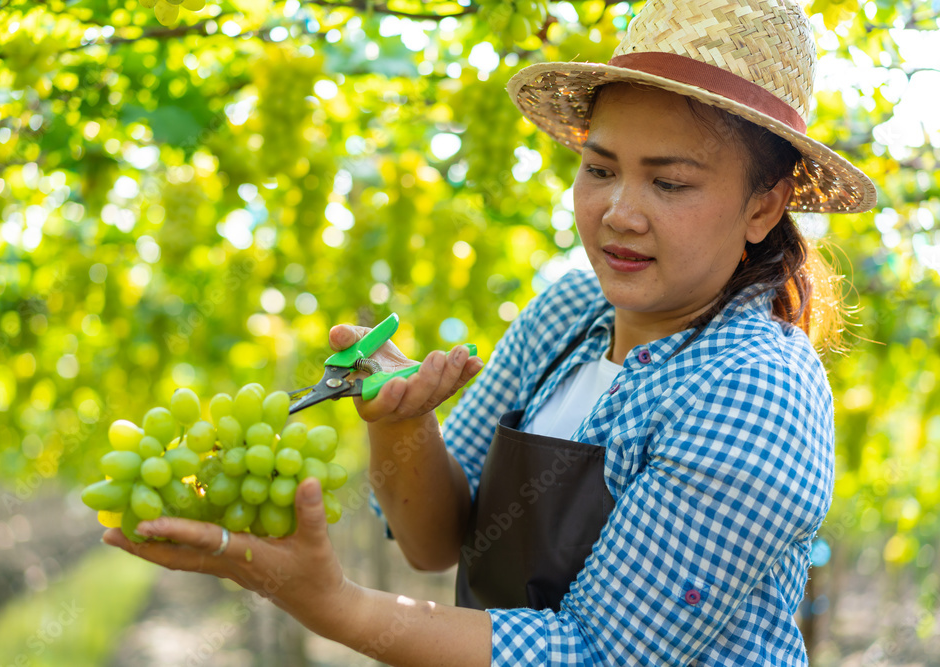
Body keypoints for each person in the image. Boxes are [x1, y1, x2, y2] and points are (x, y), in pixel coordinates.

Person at [103, 0, 877, 663]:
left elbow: (596, 651)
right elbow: (436, 540)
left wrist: (332, 603)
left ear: (764, 207)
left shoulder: (754, 385)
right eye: (600, 168)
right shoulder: (569, 314)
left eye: (669, 182)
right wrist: (403, 425)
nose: (619, 212)